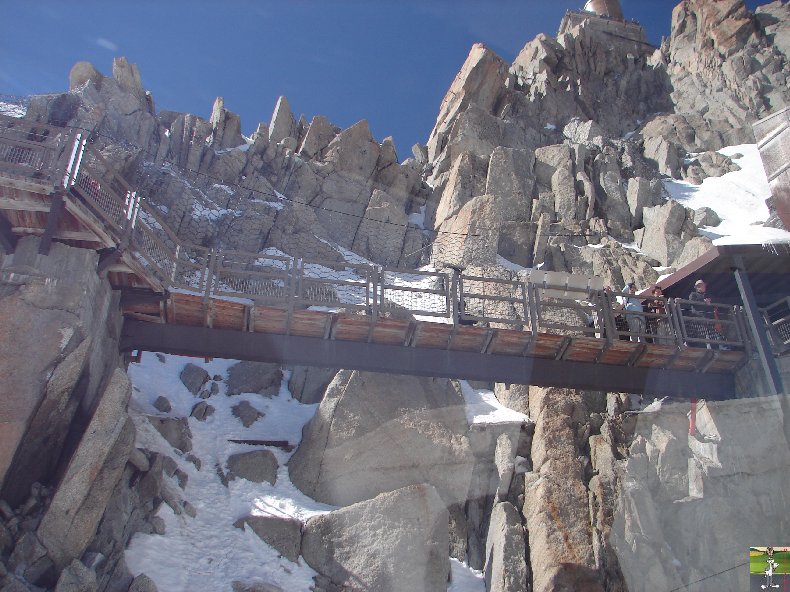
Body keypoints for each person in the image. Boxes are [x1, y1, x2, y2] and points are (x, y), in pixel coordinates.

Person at [688, 279, 714, 346]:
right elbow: (693, 302)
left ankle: (713, 349)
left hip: (708, 319)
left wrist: (709, 301)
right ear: (697, 287)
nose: (704, 287)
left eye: (704, 285)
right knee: (702, 337)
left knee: (711, 337)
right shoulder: (693, 294)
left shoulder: (707, 295)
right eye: (702, 286)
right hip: (699, 319)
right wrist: (704, 301)